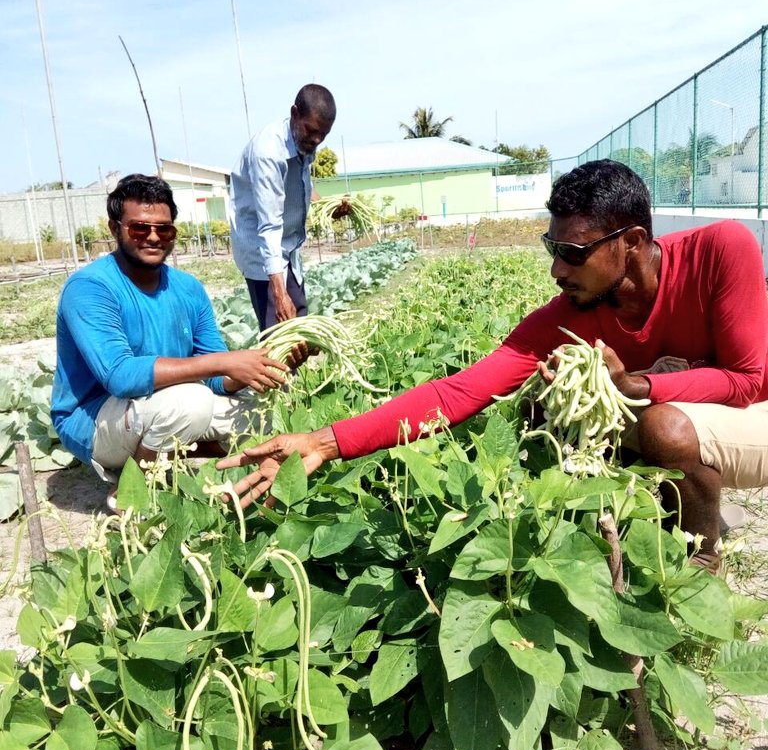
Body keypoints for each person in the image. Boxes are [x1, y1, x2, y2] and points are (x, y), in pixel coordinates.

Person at [219, 159, 768, 570]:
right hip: (691, 406)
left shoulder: (721, 248)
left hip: (750, 413)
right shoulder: (570, 314)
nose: (557, 268)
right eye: (552, 248)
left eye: (573, 253)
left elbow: (751, 379)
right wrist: (323, 441)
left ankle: (701, 565)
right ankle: (670, 512)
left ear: (632, 243)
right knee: (550, 408)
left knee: (661, 424)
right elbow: (455, 394)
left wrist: (635, 383)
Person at [51, 174, 301, 505]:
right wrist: (222, 361)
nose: (153, 237)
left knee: (268, 416)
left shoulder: (187, 288)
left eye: (164, 229)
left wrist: (257, 367)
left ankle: (167, 458)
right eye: (140, 228)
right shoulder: (90, 288)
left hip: (161, 409)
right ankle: (129, 496)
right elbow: (120, 376)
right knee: (189, 403)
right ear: (115, 229)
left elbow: (214, 377)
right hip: (94, 420)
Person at [229, 83, 345, 330]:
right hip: (264, 253)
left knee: (299, 328)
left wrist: (328, 207)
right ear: (294, 114)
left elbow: (303, 185)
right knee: (280, 337)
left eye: (323, 135)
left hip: (288, 248)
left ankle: (298, 370)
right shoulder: (268, 153)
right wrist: (279, 294)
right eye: (311, 130)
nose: (316, 139)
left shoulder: (304, 142)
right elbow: (269, 227)